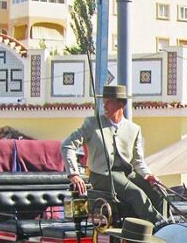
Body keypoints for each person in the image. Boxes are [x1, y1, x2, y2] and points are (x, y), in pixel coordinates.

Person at [62, 84, 165, 223]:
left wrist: (148, 175)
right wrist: (74, 174)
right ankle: (160, 225)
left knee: (159, 193)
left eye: (108, 102)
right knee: (136, 194)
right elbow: (68, 145)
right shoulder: (92, 124)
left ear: (121, 104)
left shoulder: (134, 129)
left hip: (127, 174)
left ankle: (168, 223)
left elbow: (137, 161)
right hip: (102, 176)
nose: (104, 105)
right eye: (103, 101)